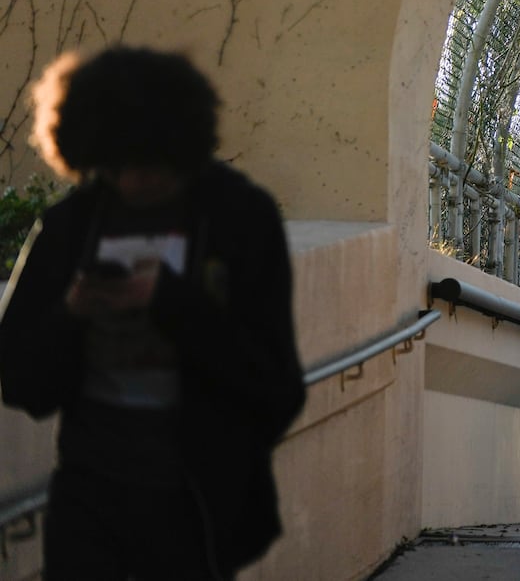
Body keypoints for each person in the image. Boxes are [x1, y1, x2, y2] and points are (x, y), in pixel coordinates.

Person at [0, 46, 306, 579]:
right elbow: (20, 381)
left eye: (152, 164)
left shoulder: (238, 219)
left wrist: (168, 304)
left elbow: (277, 388)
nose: (135, 180)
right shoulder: (70, 228)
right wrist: (72, 314)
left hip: (197, 510)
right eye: (118, 166)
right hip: (89, 503)